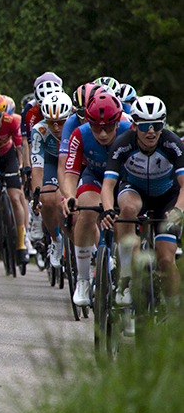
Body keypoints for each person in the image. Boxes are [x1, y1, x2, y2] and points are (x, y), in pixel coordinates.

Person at [100, 95, 184, 331]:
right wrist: (107, 209)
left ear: (163, 125)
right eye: (145, 125)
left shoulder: (172, 143)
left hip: (167, 198)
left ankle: (174, 311)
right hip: (135, 191)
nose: (151, 131)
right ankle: (126, 278)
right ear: (134, 125)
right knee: (126, 209)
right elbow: (107, 186)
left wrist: (178, 209)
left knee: (166, 260)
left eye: (156, 125)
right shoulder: (123, 143)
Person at [62, 92, 133, 306]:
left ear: (118, 121)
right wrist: (69, 197)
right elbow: (70, 174)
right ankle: (83, 279)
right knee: (85, 210)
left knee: (126, 215)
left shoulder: (129, 130)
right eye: (96, 127)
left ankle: (126, 279)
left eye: (109, 127)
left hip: (122, 179)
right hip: (93, 177)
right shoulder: (79, 134)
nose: (102, 134)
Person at [0, 92, 29, 266]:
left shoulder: (11, 122)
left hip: (8, 157)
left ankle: (22, 243)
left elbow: (19, 148)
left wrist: (22, 168)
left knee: (16, 198)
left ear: (3, 114)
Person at [30, 91, 72, 268]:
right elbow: (37, 167)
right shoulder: (39, 130)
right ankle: (56, 240)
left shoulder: (77, 126)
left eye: (60, 122)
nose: (55, 128)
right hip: (51, 163)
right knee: (47, 199)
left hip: (72, 162)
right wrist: (36, 197)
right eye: (51, 122)